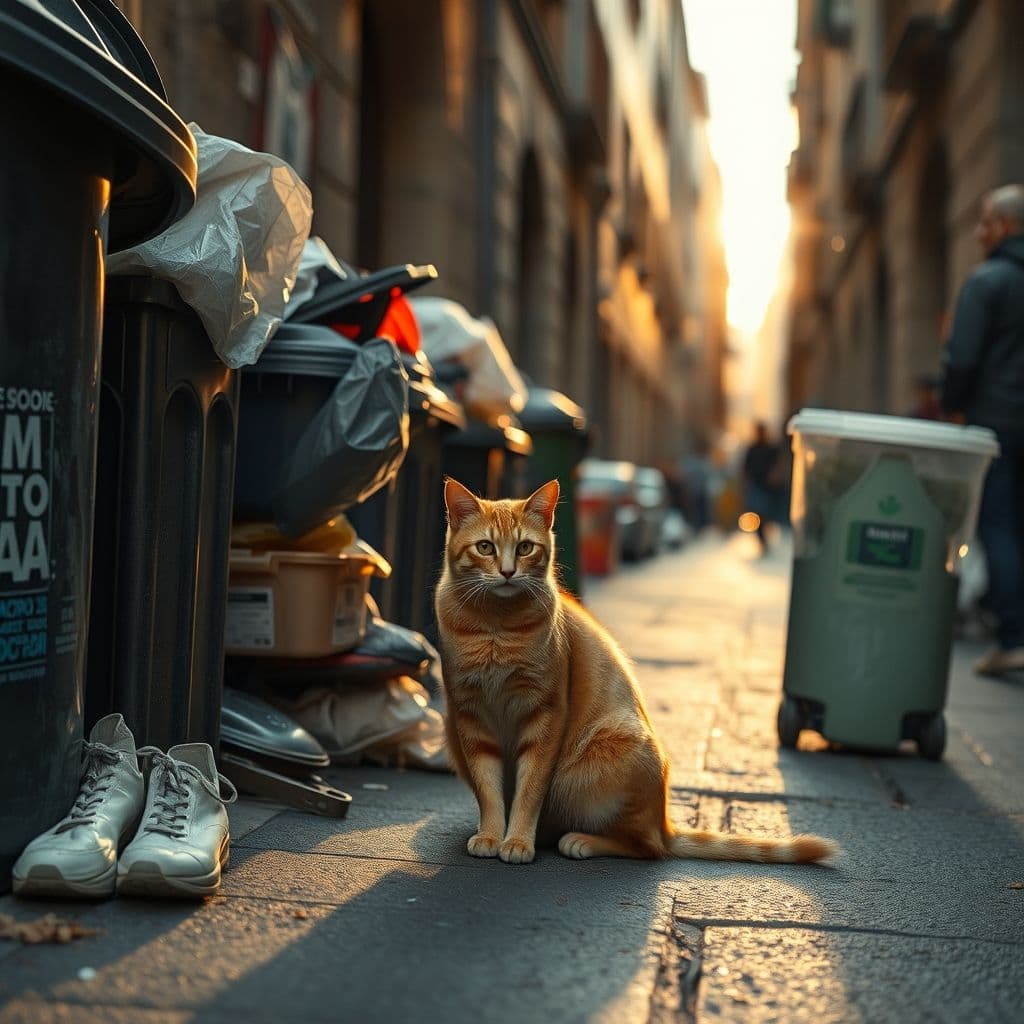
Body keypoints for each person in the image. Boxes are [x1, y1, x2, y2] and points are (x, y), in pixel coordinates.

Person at [940, 184, 1024, 675]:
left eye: (985, 222)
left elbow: (963, 357)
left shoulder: (987, 281)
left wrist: (953, 405)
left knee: (997, 525)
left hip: (997, 424)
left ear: (1006, 227)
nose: (978, 232)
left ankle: (1012, 636)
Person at [741, 422, 784, 554]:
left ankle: (764, 538)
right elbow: (746, 469)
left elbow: (778, 466)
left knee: (766, 515)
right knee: (757, 515)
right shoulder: (752, 449)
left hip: (769, 488)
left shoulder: (771, 449)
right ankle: (762, 541)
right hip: (757, 486)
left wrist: (775, 476)